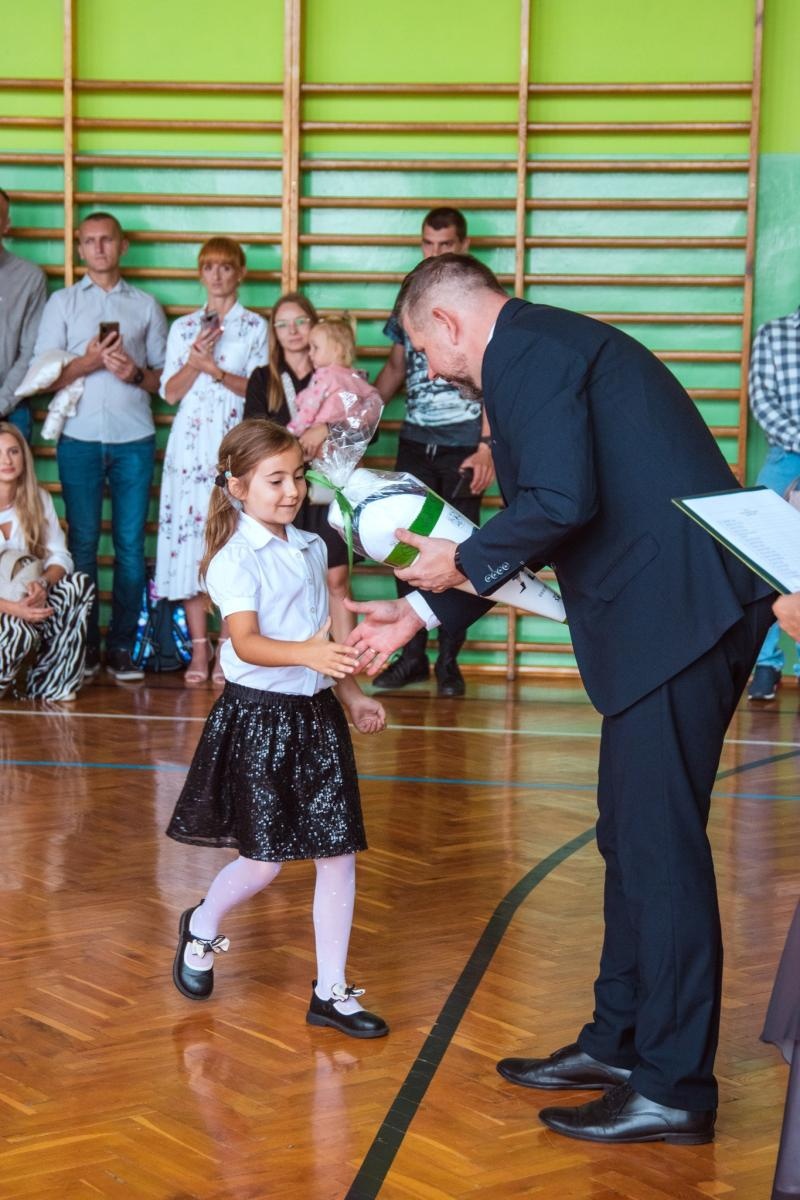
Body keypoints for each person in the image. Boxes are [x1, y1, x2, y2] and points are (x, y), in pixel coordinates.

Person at [346, 253, 775, 1144]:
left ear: (449, 322)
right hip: (670, 617)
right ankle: (620, 1044)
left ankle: (675, 1088)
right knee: (629, 834)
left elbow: (556, 502)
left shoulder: (526, 354)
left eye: (426, 348)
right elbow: (555, 511)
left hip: (678, 618)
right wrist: (422, 611)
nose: (431, 368)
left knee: (660, 855)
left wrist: (452, 567)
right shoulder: (543, 346)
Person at [166, 419, 388, 1038]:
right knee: (263, 862)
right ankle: (203, 926)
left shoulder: (313, 547)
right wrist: (313, 658)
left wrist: (351, 692)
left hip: (316, 718)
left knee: (338, 856)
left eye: (298, 476)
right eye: (275, 479)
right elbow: (247, 643)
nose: (291, 490)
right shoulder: (233, 560)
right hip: (258, 720)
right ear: (238, 487)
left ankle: (332, 991)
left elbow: (323, 641)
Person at [32, 211, 167, 683]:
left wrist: (131, 372)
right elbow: (46, 378)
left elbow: (163, 382)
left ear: (122, 245)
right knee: (83, 544)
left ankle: (123, 649)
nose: (99, 248)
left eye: (106, 240)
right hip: (79, 441)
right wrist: (89, 360)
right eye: (89, 241)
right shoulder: (62, 304)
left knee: (131, 546)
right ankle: (84, 648)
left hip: (134, 438)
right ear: (79, 248)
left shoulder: (147, 305)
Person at [372, 207, 495, 698]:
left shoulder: (473, 302)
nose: (436, 253)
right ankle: (413, 656)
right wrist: (357, 419)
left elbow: (493, 379)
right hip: (414, 442)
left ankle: (449, 661)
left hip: (464, 444)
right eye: (429, 244)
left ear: (462, 246)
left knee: (460, 549)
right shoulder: (409, 302)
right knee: (405, 542)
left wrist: (487, 447)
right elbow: (394, 368)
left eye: (446, 246)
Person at [155, 237, 267, 686]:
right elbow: (169, 392)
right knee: (188, 542)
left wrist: (215, 369)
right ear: (200, 273)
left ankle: (228, 648)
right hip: (187, 447)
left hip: (231, 441)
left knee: (229, 539)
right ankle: (198, 651)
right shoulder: (183, 327)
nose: (217, 274)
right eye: (208, 267)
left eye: (225, 266)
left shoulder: (256, 326)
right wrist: (194, 360)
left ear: (239, 272)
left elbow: (259, 391)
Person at [244, 293, 359, 643]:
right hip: (282, 492)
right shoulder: (264, 378)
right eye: (282, 324)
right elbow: (254, 432)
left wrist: (326, 428)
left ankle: (345, 664)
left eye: (300, 322)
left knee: (336, 578)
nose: (292, 331)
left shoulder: (338, 375)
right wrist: (293, 446)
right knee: (283, 577)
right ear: (273, 333)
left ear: (314, 325)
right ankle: (295, 659)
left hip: (326, 489)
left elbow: (368, 423)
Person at [0, 421, 94, 700]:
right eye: (0, 452)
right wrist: (13, 609)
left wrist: (42, 583)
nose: (7, 460)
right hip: (7, 607)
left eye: (14, 451)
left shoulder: (37, 498)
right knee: (20, 631)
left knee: (78, 583)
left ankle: (50, 683)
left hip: (27, 599)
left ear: (23, 456)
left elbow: (60, 555)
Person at [746, 307, 800, 701]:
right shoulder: (774, 333)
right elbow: (762, 400)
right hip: (787, 455)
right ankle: (765, 661)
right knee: (760, 559)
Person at [0, 187, 48, 441]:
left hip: (12, 404)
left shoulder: (30, 278)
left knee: (17, 482)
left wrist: (3, 402)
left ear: (6, 225)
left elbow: (31, 351)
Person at [287, 314, 381, 437]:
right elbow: (374, 401)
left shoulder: (326, 376)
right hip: (344, 440)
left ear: (337, 350)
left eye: (315, 347)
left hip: (318, 437)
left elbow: (310, 407)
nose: (310, 353)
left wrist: (291, 431)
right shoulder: (357, 377)